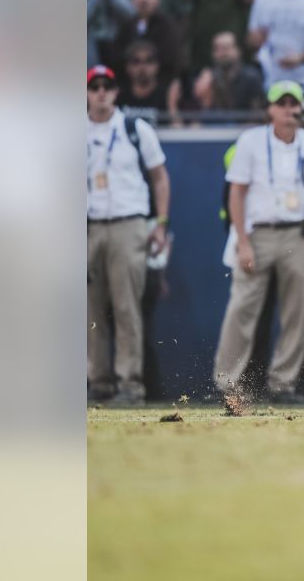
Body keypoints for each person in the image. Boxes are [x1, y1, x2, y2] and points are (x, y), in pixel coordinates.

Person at [214, 80, 304, 404]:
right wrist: (242, 240)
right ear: (269, 109)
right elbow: (235, 195)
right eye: (281, 104)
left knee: (296, 312)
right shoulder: (251, 142)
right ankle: (227, 384)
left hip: (300, 234)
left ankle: (282, 385)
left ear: (301, 108)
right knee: (242, 308)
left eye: (293, 104)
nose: (288, 110)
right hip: (260, 232)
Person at [87, 65, 171, 404]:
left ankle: (130, 385)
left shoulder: (135, 129)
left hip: (129, 224)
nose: (101, 92)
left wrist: (160, 222)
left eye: (107, 86)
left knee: (126, 308)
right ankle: (99, 382)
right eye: (95, 87)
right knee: (89, 311)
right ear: (87, 93)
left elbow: (160, 177)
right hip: (88, 225)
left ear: (116, 92)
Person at [112, 0, 182, 85]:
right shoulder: (126, 25)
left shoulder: (167, 25)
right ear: (132, 0)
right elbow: (117, 55)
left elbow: (170, 57)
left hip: (160, 84)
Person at [193, 31, 265, 112]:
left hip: (245, 123)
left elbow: (257, 115)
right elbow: (202, 112)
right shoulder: (209, 77)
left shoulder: (252, 77)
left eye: (226, 48)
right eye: (217, 49)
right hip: (215, 123)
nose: (221, 53)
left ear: (238, 50)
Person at [118, 40, 182, 124]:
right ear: (127, 67)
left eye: (149, 61)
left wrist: (172, 105)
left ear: (157, 66)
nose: (142, 67)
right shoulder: (119, 96)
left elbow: (178, 132)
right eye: (136, 62)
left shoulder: (167, 96)